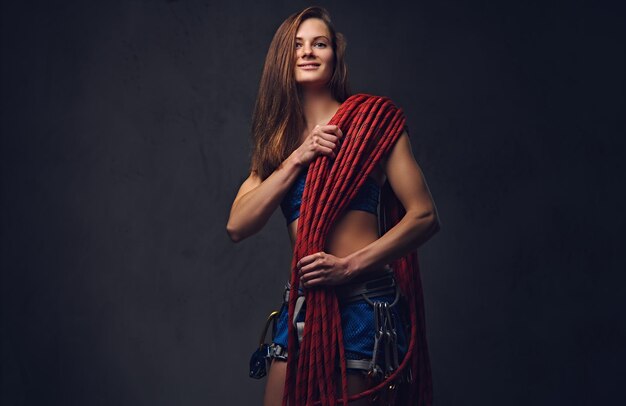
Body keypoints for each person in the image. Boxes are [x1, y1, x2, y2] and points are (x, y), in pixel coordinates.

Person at [226, 6, 440, 406]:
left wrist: (348, 266)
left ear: (334, 54)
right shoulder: (279, 146)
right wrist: (297, 158)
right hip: (305, 307)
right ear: (283, 60)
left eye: (319, 43)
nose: (308, 52)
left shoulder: (371, 123)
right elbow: (238, 225)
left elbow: (425, 217)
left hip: (363, 302)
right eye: (297, 45)